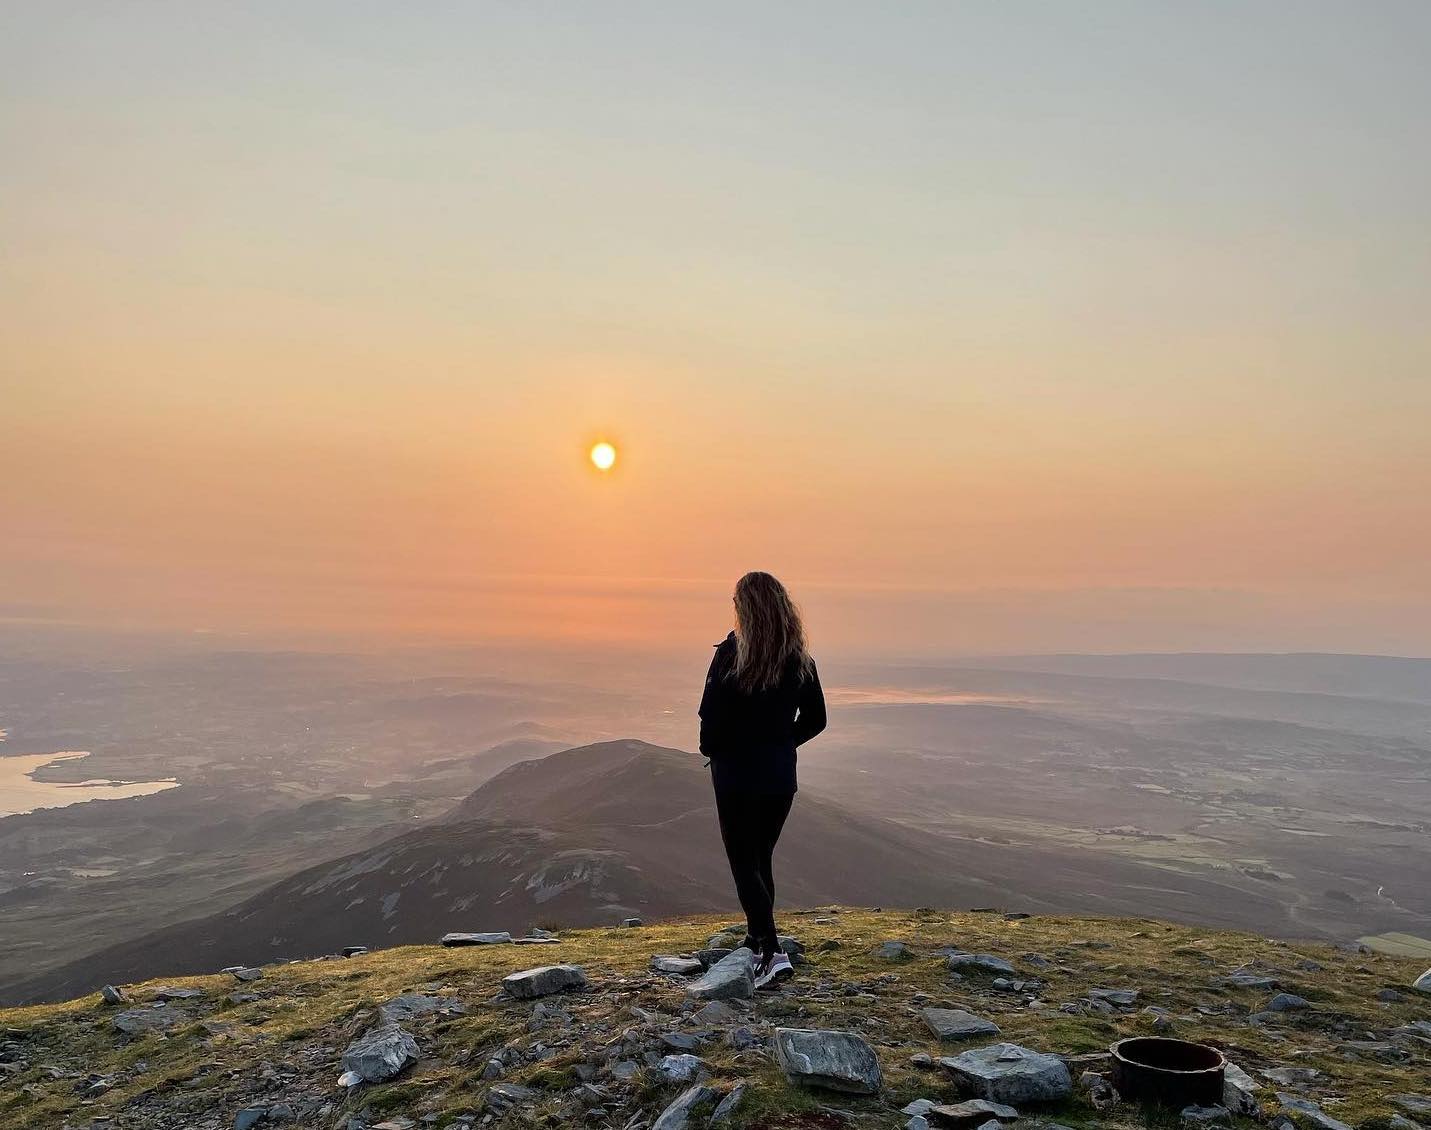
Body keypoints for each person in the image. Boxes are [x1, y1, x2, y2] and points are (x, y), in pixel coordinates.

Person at [698, 571, 827, 989]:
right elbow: (817, 719)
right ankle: (757, 938)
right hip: (778, 777)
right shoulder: (799, 658)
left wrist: (714, 750)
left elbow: (711, 717)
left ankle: (771, 952)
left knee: (743, 861)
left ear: (745, 609)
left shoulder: (732, 654)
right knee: (761, 858)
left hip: (736, 775)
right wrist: (782, 742)